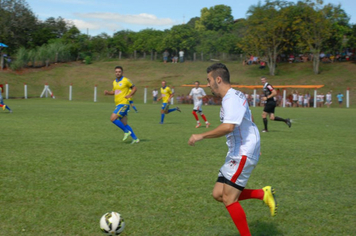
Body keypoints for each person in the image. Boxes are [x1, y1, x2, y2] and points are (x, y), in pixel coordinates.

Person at [188, 63, 277, 236]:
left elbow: (228, 127)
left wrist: (201, 136)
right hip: (238, 151)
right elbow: (244, 122)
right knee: (218, 194)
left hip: (243, 151)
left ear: (218, 79)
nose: (207, 84)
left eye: (209, 80)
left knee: (229, 198)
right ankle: (262, 193)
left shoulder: (231, 98)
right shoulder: (234, 95)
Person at [104, 66, 139, 144]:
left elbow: (134, 88)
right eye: (116, 72)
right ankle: (135, 139)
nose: (117, 73)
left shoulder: (126, 80)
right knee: (124, 124)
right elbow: (114, 92)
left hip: (124, 104)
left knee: (112, 118)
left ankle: (126, 132)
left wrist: (130, 94)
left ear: (122, 72)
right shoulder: (114, 82)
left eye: (119, 71)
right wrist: (108, 93)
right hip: (118, 104)